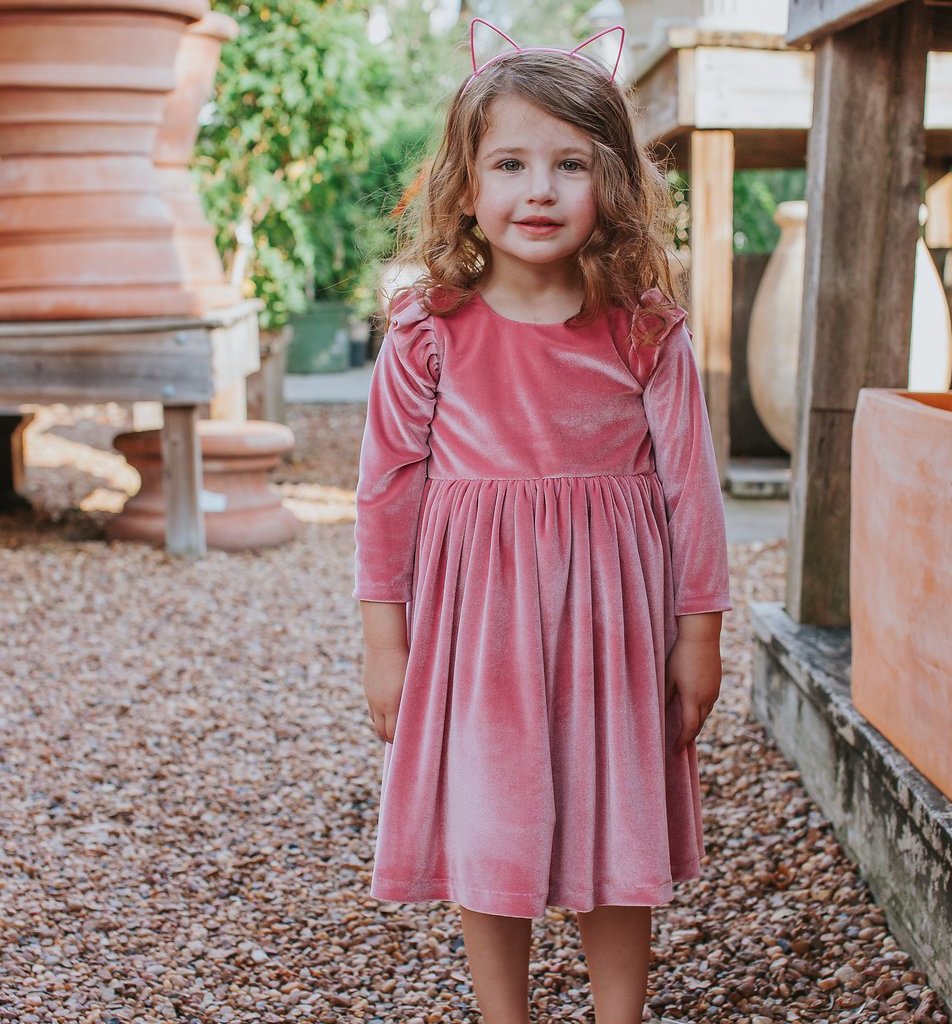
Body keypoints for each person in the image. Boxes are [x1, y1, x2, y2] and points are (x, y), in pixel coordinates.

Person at [353, 18, 732, 1024]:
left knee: (615, 825)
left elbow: (690, 486)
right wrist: (384, 638)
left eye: (570, 164)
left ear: (612, 182)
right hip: (480, 631)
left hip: (614, 624)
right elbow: (386, 488)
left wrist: (701, 632)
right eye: (510, 163)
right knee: (493, 822)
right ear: (465, 184)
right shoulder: (428, 327)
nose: (539, 190)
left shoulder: (643, 325)